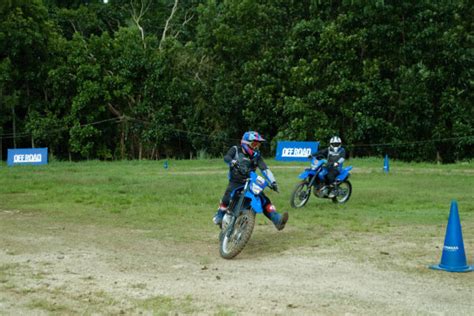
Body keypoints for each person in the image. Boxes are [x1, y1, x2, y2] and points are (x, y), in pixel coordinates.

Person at [213, 131, 289, 230]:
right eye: (254, 144)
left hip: (250, 181)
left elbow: (264, 169)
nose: (255, 147)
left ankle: (277, 220)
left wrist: (273, 182)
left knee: (263, 199)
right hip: (235, 181)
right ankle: (220, 215)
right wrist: (232, 162)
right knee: (228, 195)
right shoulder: (235, 149)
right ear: (246, 143)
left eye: (258, 144)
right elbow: (227, 157)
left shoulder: (257, 156)